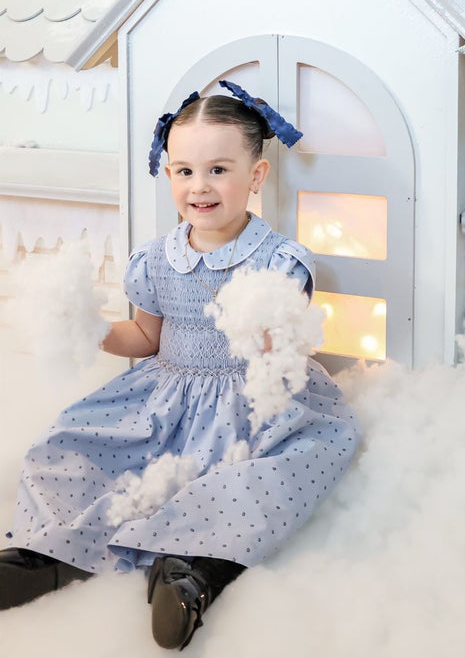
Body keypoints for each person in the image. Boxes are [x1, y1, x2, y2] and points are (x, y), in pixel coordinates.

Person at [0, 81, 361, 650]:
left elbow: (283, 343)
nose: (200, 186)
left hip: (248, 398)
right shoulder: (156, 258)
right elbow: (145, 336)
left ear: (256, 176)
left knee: (257, 475)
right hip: (164, 398)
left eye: (219, 169)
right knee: (67, 447)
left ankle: (193, 570)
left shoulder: (279, 261)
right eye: (184, 171)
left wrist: (270, 340)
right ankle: (48, 553)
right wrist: (89, 327)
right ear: (168, 175)